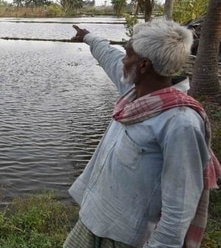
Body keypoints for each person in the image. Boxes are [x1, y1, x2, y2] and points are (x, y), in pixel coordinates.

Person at [64, 20, 221, 248]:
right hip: (91, 219)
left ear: (144, 65)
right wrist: (88, 36)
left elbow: (181, 203)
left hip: (126, 238)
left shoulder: (180, 122)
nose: (122, 61)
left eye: (127, 55)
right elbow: (108, 55)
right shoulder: (135, 95)